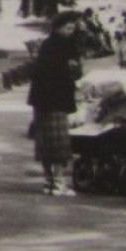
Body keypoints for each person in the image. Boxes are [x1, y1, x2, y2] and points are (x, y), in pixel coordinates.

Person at [27, 11, 84, 195]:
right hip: (57, 99)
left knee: (44, 140)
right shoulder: (65, 46)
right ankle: (59, 181)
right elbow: (73, 71)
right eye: (68, 27)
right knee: (59, 141)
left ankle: (49, 181)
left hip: (40, 99)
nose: (71, 31)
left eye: (73, 28)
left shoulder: (46, 45)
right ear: (59, 27)